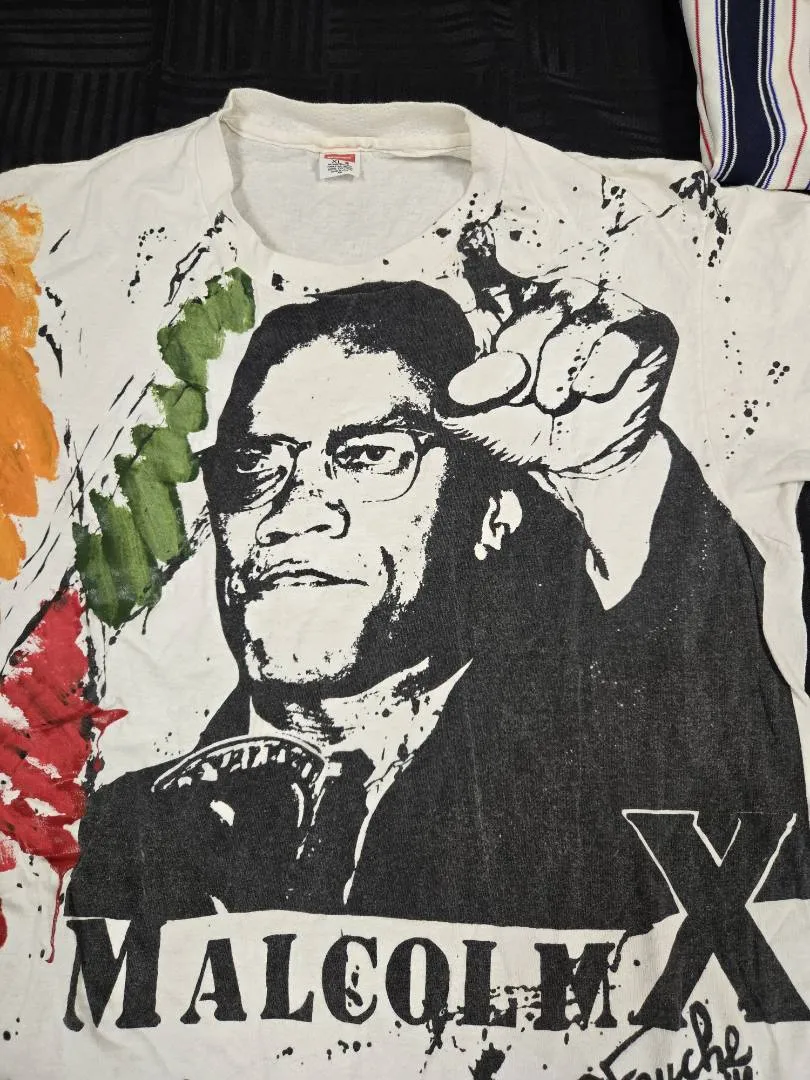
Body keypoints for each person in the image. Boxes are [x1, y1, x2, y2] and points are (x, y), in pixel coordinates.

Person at [66, 278, 810, 931]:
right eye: (255, 465)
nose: (292, 512)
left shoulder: (601, 776)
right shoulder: (114, 835)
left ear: (491, 515)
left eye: (367, 456)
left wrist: (616, 473)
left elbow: (718, 715)